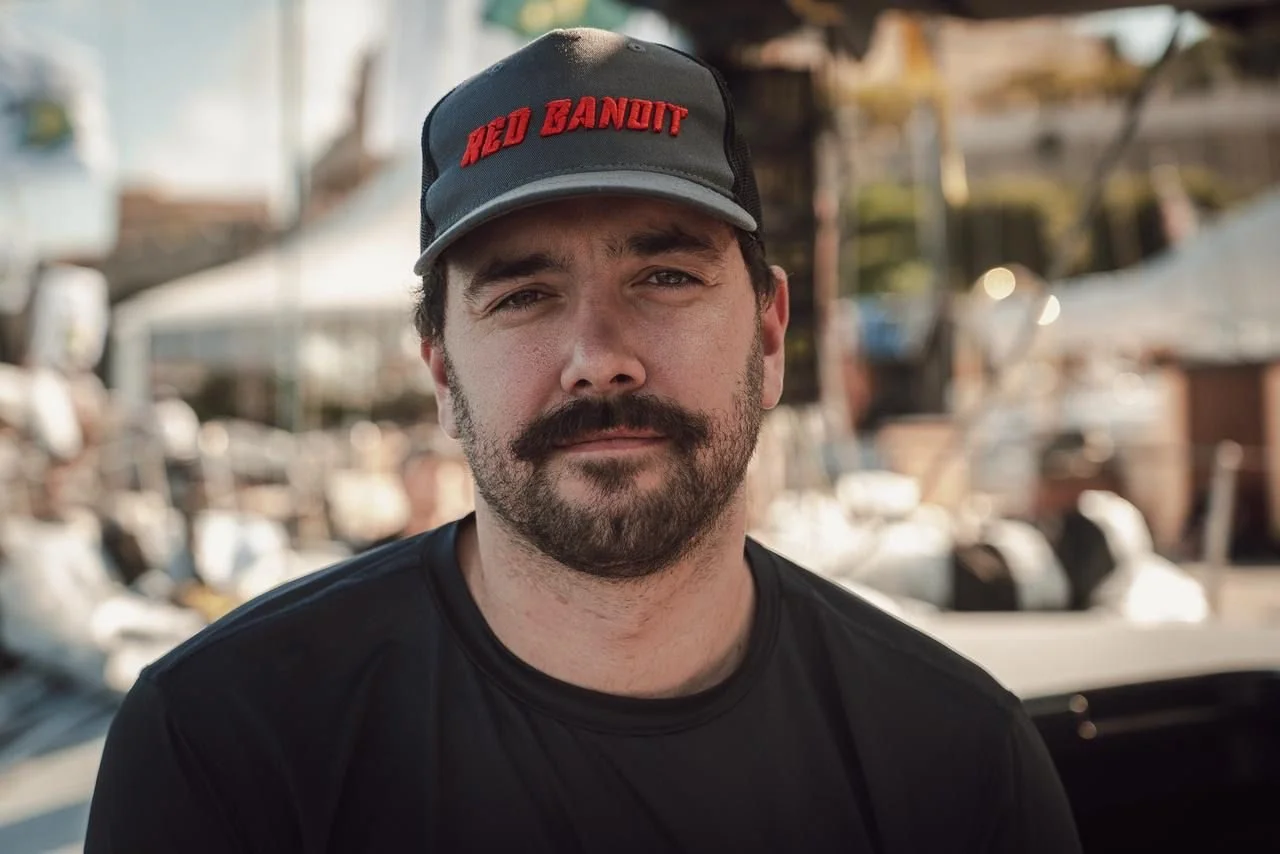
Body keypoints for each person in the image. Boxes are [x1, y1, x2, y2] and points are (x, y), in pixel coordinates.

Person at [86, 28, 1081, 853]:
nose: (599, 359)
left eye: (665, 277)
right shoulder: (225, 744)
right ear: (443, 374)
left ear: (771, 335)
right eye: (523, 295)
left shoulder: (956, 758)